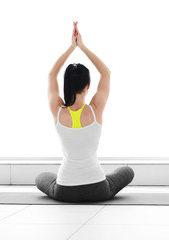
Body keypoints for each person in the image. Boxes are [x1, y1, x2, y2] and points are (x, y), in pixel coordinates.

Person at [35, 22, 134, 202]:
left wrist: (71, 48)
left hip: (65, 189)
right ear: (88, 85)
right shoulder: (96, 109)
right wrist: (82, 46)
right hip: (97, 189)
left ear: (66, 85)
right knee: (127, 171)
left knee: (41, 177)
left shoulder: (57, 110)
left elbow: (51, 74)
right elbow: (106, 73)